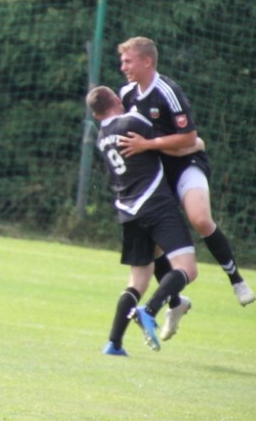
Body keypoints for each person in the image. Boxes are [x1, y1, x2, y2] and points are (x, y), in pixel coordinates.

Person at [117, 36, 255, 308]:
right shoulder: (127, 94)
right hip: (157, 174)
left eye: (128, 61)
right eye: (122, 61)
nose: (123, 67)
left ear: (147, 61)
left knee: (200, 219)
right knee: (153, 244)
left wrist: (149, 145)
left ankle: (237, 280)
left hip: (186, 164)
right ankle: (175, 303)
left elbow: (189, 138)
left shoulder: (167, 91)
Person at [87, 86, 199, 355]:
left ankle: (114, 343)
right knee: (187, 269)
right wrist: (197, 145)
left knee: (137, 281)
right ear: (117, 100)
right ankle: (149, 311)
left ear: (96, 114)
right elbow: (173, 140)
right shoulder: (134, 121)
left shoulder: (101, 136)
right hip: (156, 204)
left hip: (128, 211)